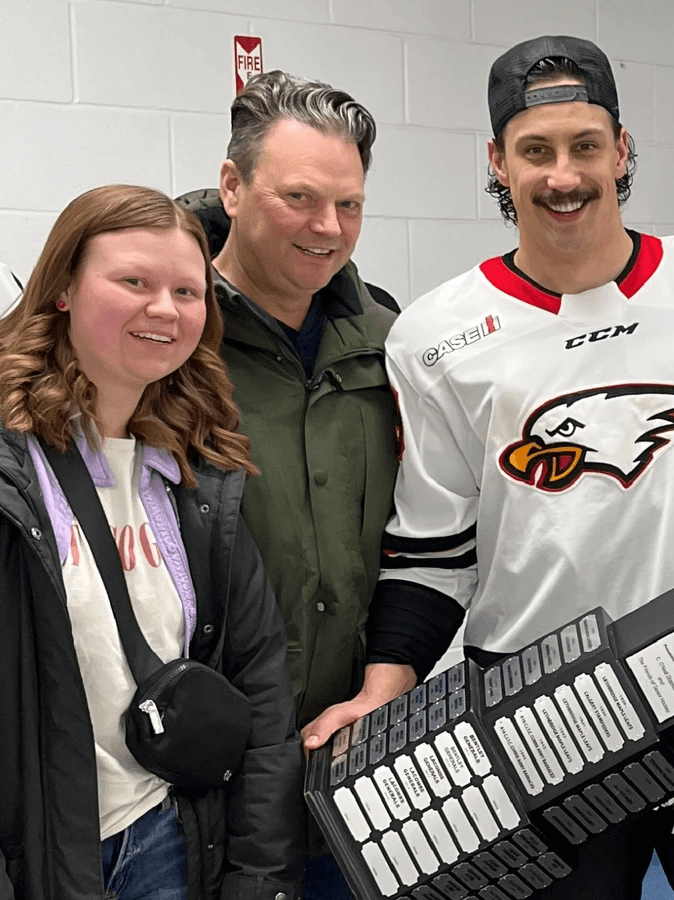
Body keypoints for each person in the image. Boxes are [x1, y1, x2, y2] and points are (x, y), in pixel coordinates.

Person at [301, 34, 674, 899]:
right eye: (535, 151)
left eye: (585, 146)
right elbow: (432, 551)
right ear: (497, 161)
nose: (563, 175)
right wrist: (381, 689)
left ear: (622, 150)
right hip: (543, 727)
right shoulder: (433, 336)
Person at [0, 184, 304, 900]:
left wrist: (260, 875)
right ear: (65, 288)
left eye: (187, 291)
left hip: (168, 840)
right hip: (36, 853)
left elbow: (258, 680)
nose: (165, 309)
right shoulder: (14, 468)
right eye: (133, 282)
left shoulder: (197, 470)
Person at [175, 70, 400, 897]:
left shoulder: (386, 340)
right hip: (199, 772)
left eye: (349, 205)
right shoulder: (166, 337)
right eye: (300, 198)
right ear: (232, 186)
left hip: (351, 752)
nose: (327, 228)